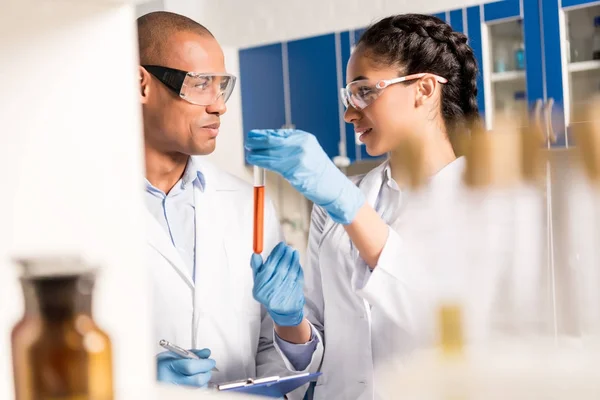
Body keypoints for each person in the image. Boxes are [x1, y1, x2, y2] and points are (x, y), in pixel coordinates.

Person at [246, 14, 480, 400]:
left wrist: (346, 202)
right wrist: (291, 323)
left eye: (364, 92)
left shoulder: (482, 200)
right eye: (347, 96)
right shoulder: (334, 205)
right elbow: (317, 351)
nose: (349, 114)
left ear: (423, 89)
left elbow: (443, 326)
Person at [137, 11, 322, 397]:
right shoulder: (82, 210)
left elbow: (273, 352)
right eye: (201, 84)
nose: (219, 106)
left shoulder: (246, 203)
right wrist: (136, 381)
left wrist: (291, 326)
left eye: (222, 86)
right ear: (141, 84)